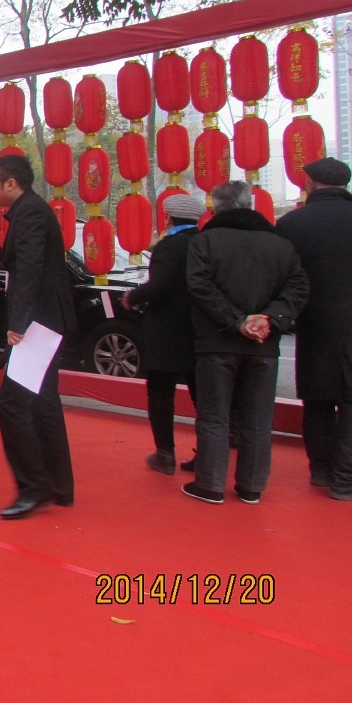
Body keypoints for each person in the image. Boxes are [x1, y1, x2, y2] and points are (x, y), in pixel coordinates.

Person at [184, 180, 308, 505]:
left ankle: (210, 484)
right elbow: (298, 287)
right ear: (250, 204)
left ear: (215, 207)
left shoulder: (205, 241)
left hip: (217, 341)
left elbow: (199, 287)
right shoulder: (279, 244)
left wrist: (237, 320)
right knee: (257, 418)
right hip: (263, 343)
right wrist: (269, 318)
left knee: (214, 415)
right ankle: (251, 486)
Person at [0, 154, 77, 519]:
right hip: (45, 319)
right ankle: (59, 486)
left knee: (11, 404)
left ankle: (34, 486)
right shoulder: (29, 210)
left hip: (40, 323)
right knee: (43, 402)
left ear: (11, 183)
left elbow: (28, 271)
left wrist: (18, 325)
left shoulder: (30, 213)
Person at [274, 157, 352, 500]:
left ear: (309, 183)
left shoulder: (292, 223)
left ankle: (321, 469)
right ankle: (345, 480)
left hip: (315, 322)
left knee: (317, 399)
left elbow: (281, 275)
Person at [121, 193, 204, 475]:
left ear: (168, 218)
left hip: (167, 331)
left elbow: (160, 285)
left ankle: (165, 454)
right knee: (202, 398)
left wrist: (134, 296)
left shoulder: (169, 246)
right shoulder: (204, 242)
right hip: (199, 330)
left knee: (160, 395)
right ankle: (206, 454)